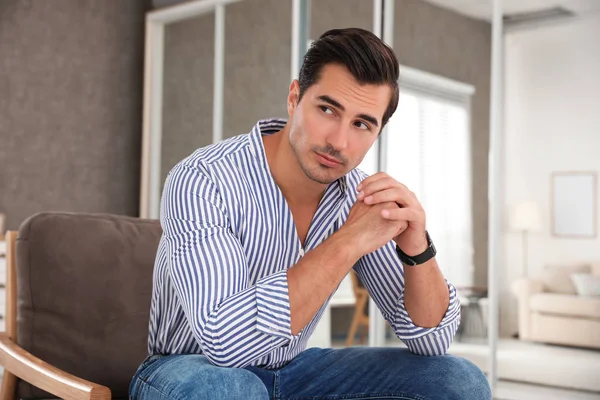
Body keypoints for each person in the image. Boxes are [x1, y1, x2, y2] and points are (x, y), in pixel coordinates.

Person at [130, 27, 491, 400]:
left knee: (458, 380)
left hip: (291, 372)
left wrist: (417, 247)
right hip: (189, 370)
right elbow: (226, 343)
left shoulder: (360, 198)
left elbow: (432, 340)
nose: (338, 141)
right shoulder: (203, 178)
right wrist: (348, 241)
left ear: (377, 132)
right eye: (327, 109)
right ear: (293, 98)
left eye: (362, 124)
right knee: (226, 388)